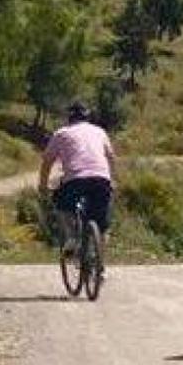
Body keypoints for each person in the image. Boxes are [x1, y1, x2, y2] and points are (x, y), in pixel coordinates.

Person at [40, 100, 117, 253]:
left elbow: (47, 162)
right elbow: (111, 157)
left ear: (69, 118)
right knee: (101, 222)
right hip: (101, 178)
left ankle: (71, 238)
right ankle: (99, 261)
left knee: (62, 205)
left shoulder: (61, 133)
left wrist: (43, 186)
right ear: (87, 117)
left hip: (75, 179)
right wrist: (112, 180)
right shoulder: (99, 131)